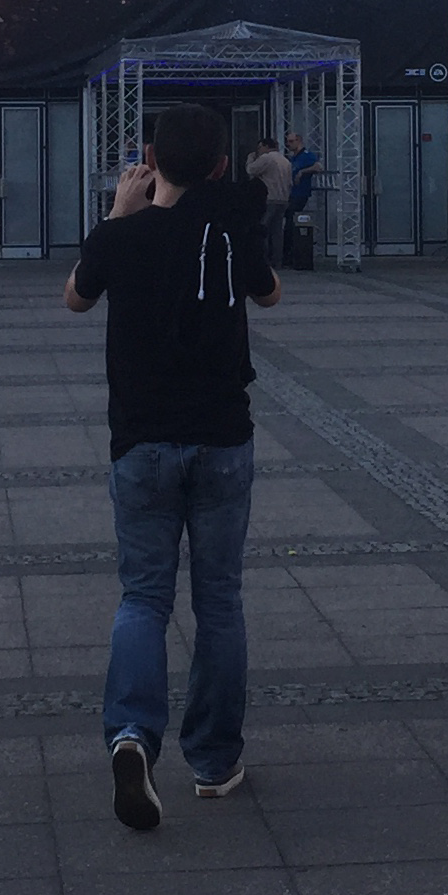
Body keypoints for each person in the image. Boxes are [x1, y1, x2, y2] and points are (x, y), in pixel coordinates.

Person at [65, 101, 283, 829]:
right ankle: (214, 762)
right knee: (219, 600)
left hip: (141, 442)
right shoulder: (230, 226)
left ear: (151, 161)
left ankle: (131, 736)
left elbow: (75, 297)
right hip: (221, 436)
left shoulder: (121, 235)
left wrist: (120, 214)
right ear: (220, 165)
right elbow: (270, 294)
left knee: (143, 598)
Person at [246, 138, 293, 262]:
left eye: (260, 147)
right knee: (277, 231)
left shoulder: (266, 158)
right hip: (283, 199)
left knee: (263, 229)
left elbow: (251, 170)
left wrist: (250, 158)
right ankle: (278, 259)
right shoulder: (285, 161)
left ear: (266, 147)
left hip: (269, 198)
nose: (259, 150)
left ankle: (263, 258)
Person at [283, 132, 323, 271]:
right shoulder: (293, 157)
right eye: (287, 142)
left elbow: (318, 167)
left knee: (291, 222)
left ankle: (291, 255)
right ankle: (288, 254)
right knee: (288, 221)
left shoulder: (307, 155)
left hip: (300, 193)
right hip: (290, 193)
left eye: (291, 141)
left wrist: (303, 172)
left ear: (298, 140)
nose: (288, 145)